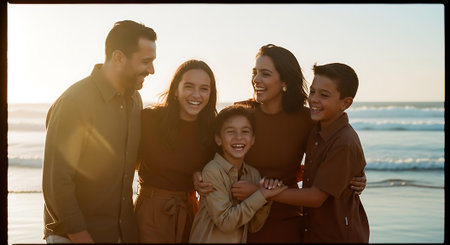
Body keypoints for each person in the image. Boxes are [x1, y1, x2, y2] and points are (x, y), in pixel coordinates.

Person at [194, 44, 367, 243]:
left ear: (284, 80)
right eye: (255, 72)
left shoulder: (307, 119)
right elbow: (208, 152)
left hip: (285, 220)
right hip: (238, 219)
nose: (256, 79)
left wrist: (357, 176)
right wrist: (196, 174)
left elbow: (334, 150)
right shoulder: (240, 113)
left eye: (265, 74)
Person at [42, 20, 157, 243]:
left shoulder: (135, 99)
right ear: (118, 57)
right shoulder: (74, 103)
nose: (152, 70)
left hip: (121, 234)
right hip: (75, 238)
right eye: (146, 61)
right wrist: (82, 238)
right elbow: (56, 184)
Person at [266, 62, 370, 242]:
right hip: (313, 232)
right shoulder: (316, 127)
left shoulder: (343, 142)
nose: (314, 99)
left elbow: (315, 197)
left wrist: (262, 192)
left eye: (324, 95)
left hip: (338, 236)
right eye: (312, 91)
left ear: (345, 103)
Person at [134, 59, 217, 243]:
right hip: (150, 213)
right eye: (189, 86)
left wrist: (201, 175)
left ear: (211, 94)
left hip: (190, 212)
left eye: (204, 88)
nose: (196, 94)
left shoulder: (212, 131)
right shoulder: (149, 120)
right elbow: (127, 163)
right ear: (176, 89)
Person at [189, 105, 287, 243]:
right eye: (231, 131)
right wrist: (262, 194)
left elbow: (253, 226)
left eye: (245, 131)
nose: (239, 137)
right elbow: (225, 223)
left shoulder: (253, 174)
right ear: (218, 139)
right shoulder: (212, 171)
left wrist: (266, 200)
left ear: (253, 139)